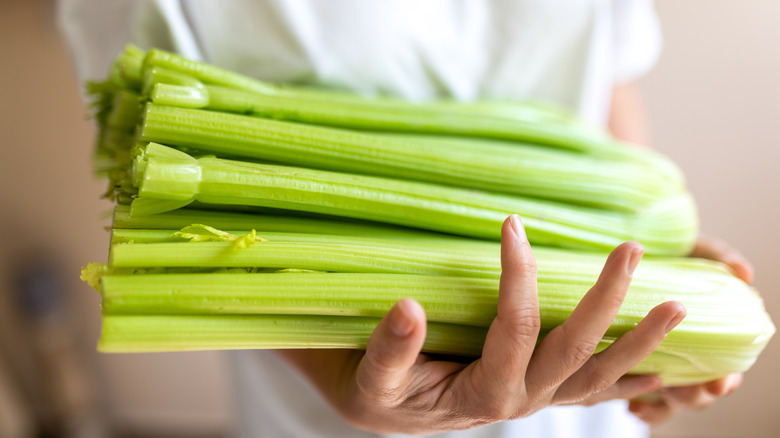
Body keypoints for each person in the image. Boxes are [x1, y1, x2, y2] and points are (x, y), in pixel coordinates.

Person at [58, 1, 752, 436]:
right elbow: (152, 167)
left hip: (583, 408)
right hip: (330, 413)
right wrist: (344, 387)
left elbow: (603, 73)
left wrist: (644, 268)